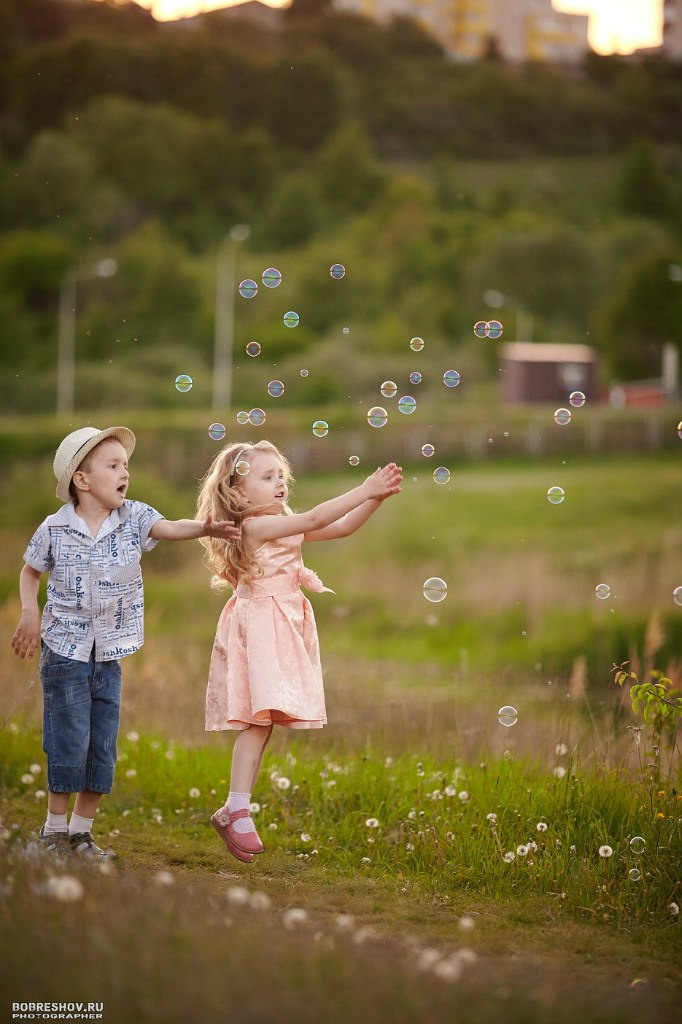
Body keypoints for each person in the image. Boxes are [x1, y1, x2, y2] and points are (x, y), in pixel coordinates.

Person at [10, 425, 238, 858]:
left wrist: (207, 526)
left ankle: (81, 835)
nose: (124, 474)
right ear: (82, 479)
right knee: (67, 738)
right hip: (64, 650)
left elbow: (170, 527)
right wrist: (29, 611)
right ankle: (53, 833)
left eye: (126, 466)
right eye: (113, 466)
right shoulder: (54, 528)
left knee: (101, 745)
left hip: (109, 651)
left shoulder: (133, 518)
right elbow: (29, 571)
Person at [196, 439, 402, 863]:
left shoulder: (280, 521)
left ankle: (234, 809)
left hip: (281, 623)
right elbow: (316, 516)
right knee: (256, 721)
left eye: (282, 477)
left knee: (264, 720)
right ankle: (236, 808)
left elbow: (342, 527)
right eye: (267, 478)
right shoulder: (254, 527)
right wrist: (363, 488)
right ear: (237, 492)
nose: (279, 485)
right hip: (261, 624)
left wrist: (375, 499)